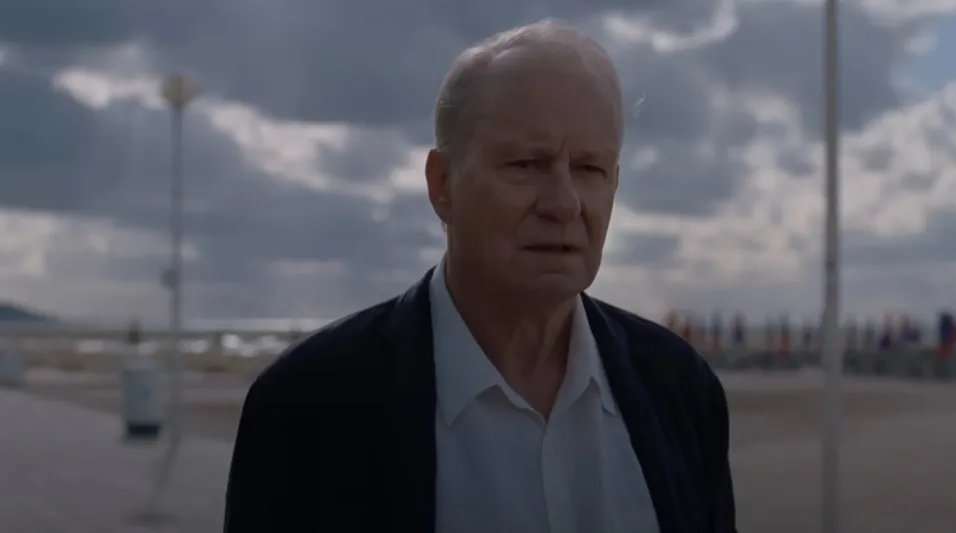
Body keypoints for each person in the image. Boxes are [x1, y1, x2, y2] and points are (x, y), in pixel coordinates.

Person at [224, 21, 736, 533]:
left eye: (589, 169)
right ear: (442, 184)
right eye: (526, 164)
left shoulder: (681, 391)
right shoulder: (308, 408)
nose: (563, 203)